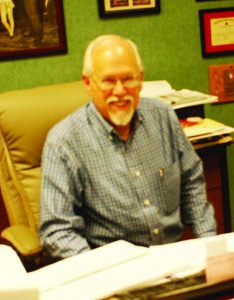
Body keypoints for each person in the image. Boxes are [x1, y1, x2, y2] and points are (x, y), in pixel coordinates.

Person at [39, 34, 217, 259]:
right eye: (108, 81)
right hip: (113, 270)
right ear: (88, 84)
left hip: (174, 259)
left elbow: (191, 180)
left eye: (128, 79)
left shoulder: (163, 117)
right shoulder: (64, 141)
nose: (120, 90)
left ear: (140, 79)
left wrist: (210, 247)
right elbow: (57, 230)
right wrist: (101, 270)